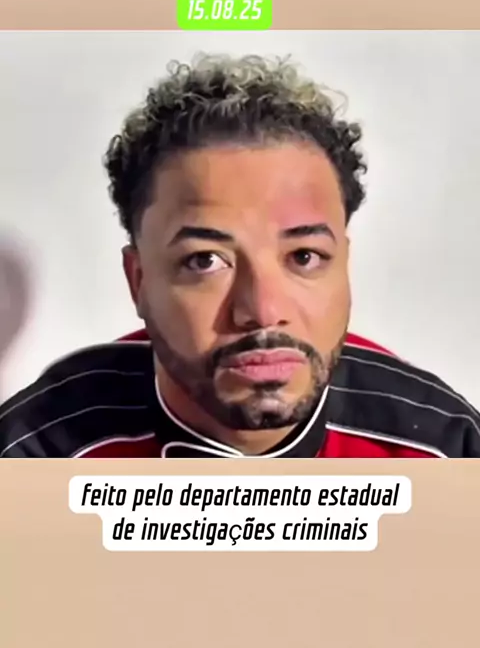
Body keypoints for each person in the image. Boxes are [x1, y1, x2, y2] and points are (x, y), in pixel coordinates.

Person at [1, 54, 479, 459]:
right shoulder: (35, 452)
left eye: (305, 256)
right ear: (138, 281)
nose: (263, 311)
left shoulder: (444, 450)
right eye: (205, 260)